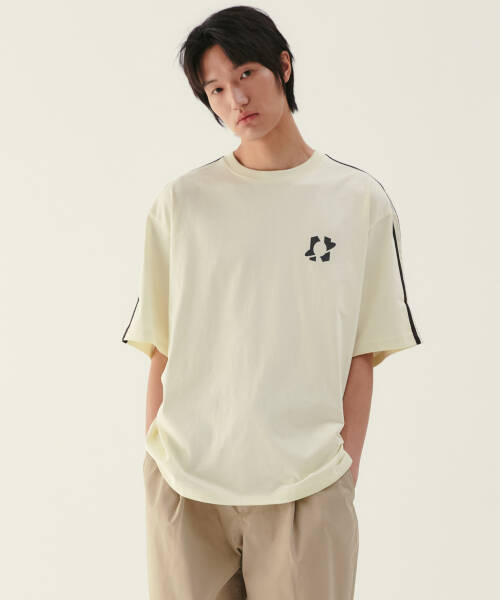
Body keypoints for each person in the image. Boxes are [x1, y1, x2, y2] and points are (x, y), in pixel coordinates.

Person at [121, 6, 423, 599]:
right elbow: (161, 346)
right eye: (215, 88)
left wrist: (341, 475)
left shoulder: (357, 201)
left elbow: (362, 354)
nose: (235, 98)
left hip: (307, 488)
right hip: (185, 489)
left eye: (246, 73)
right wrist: (155, 463)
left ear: (283, 66)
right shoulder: (181, 204)